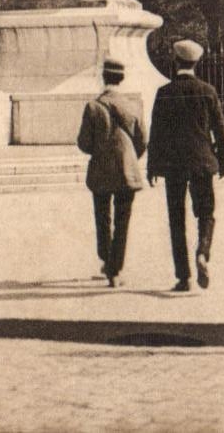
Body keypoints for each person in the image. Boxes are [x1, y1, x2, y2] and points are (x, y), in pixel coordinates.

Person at [147, 39, 224, 293]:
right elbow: (220, 129)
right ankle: (203, 253)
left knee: (176, 219)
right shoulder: (207, 91)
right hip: (202, 161)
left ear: (175, 62)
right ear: (196, 63)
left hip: (174, 164)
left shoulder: (165, 92)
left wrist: (152, 166)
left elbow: (157, 133)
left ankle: (183, 277)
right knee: (206, 213)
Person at [76, 56, 147, 287]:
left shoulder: (93, 106)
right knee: (122, 220)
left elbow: (84, 143)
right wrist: (129, 156)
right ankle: (116, 269)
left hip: (101, 170)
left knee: (103, 218)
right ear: (122, 78)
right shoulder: (132, 105)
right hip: (127, 169)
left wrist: (100, 150)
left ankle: (107, 261)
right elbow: (142, 140)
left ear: (103, 77)